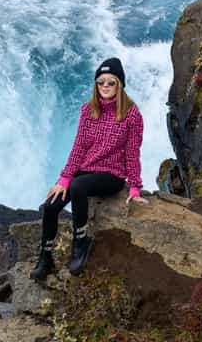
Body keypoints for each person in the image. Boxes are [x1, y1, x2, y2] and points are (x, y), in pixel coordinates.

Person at [31, 57, 148, 282]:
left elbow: (133, 152)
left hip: (111, 174)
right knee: (50, 206)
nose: (105, 86)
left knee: (78, 187)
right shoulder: (88, 110)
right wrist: (64, 178)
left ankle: (81, 241)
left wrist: (135, 187)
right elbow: (79, 147)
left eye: (110, 82)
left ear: (120, 84)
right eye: (100, 82)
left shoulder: (132, 115)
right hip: (86, 169)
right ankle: (45, 258)